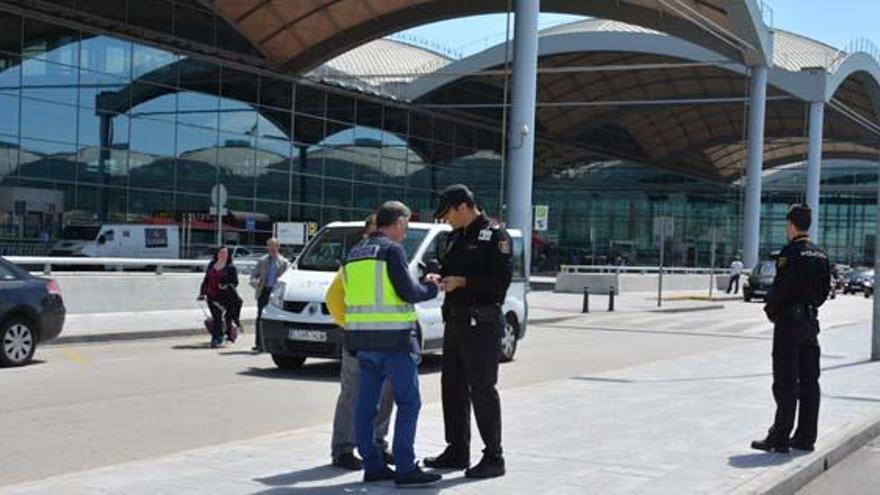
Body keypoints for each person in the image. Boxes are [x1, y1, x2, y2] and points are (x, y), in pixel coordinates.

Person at [342, 201, 441, 486]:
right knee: (409, 402)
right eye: (406, 225)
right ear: (397, 222)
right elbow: (408, 292)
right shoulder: (392, 250)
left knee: (365, 407)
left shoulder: (354, 253)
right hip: (395, 342)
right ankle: (406, 468)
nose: (406, 231)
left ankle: (372, 465)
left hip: (363, 342)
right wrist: (432, 286)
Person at [424, 184, 513, 479]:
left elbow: (500, 281)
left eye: (447, 213)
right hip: (456, 320)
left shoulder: (493, 235)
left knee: (483, 389)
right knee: (452, 387)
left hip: (482, 323)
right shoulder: (455, 237)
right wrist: (440, 275)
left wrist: (464, 282)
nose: (445, 219)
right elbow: (450, 268)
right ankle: (457, 449)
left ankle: (494, 457)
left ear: (463, 207)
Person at [751, 204, 831, 453]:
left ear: (791, 225)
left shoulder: (791, 253)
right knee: (810, 382)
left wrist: (771, 311)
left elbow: (781, 289)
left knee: (786, 381)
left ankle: (780, 437)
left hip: (789, 324)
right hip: (810, 324)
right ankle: (806, 437)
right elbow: (824, 292)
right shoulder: (821, 254)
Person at [325, 214, 396, 471]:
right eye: (375, 229)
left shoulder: (387, 255)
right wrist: (349, 322)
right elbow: (333, 297)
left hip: (383, 336)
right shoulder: (356, 259)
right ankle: (344, 448)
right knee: (353, 393)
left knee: (384, 393)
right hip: (365, 337)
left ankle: (377, 443)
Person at [249, 238, 290, 352]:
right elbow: (253, 276)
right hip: (264, 291)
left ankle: (276, 344)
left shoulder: (284, 263)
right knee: (260, 317)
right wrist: (256, 284)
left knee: (276, 318)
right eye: (269, 246)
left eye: (274, 246)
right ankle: (259, 344)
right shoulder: (262, 261)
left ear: (278, 247)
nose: (271, 248)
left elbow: (287, 279)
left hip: (276, 294)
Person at [198, 246, 240, 348]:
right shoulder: (212, 264)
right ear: (217, 254)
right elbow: (206, 279)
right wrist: (202, 293)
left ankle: (219, 336)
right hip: (211, 294)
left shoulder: (231, 267)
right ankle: (217, 337)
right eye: (220, 252)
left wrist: (226, 285)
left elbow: (235, 282)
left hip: (224, 296)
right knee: (216, 316)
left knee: (220, 317)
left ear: (228, 255)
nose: (222, 255)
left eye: (224, 253)